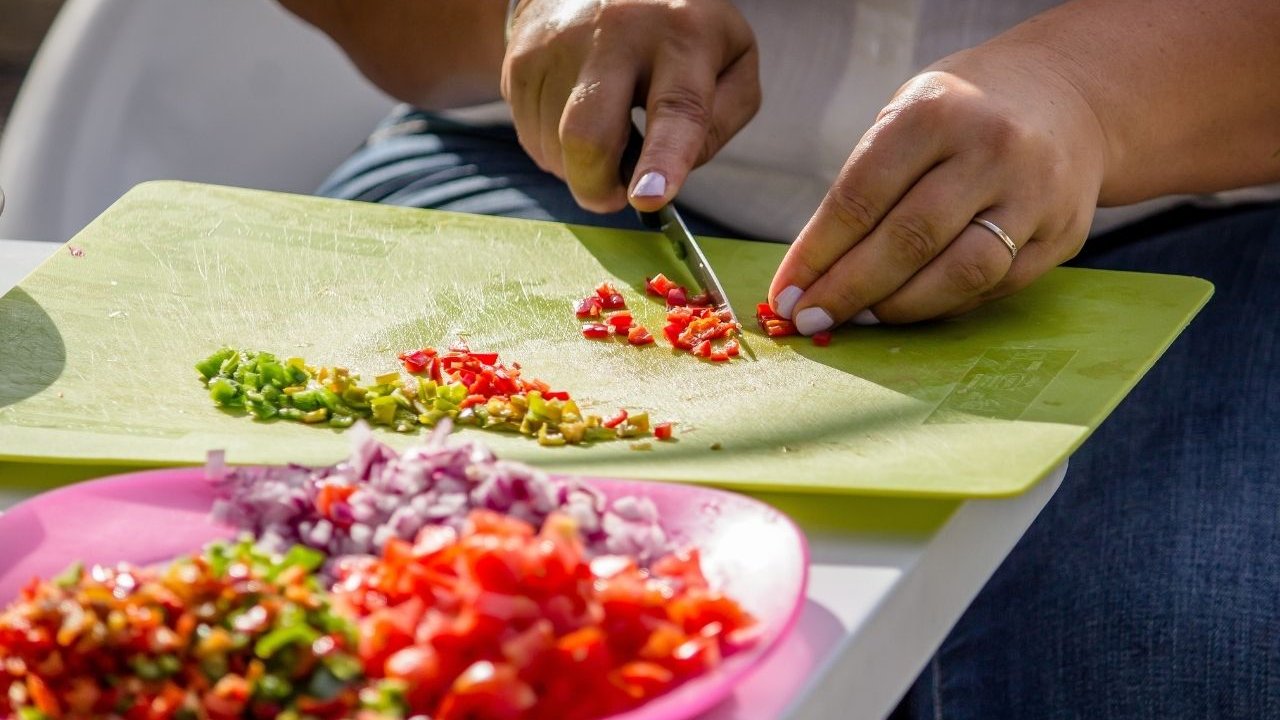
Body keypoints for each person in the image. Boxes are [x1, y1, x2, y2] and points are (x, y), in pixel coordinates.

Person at [282, 1, 1280, 717]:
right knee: (403, 599)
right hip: (549, 173)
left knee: (1170, 644)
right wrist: (519, 15)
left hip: (1190, 211)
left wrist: (1091, 95)